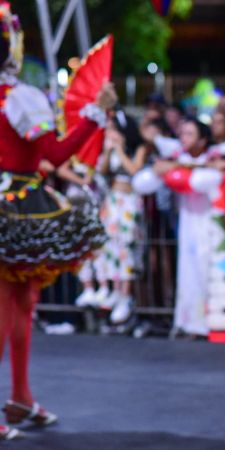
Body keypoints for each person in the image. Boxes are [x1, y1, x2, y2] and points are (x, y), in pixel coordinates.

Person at [0, 0, 116, 440]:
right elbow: (55, 154)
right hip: (19, 207)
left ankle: (21, 398)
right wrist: (95, 114)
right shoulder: (20, 98)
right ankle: (18, 398)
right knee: (11, 306)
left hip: (13, 204)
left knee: (23, 303)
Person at [80, 112, 147, 324]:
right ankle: (114, 289)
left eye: (112, 129)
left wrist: (119, 149)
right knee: (110, 246)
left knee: (127, 246)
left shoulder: (139, 148)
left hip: (129, 201)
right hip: (111, 201)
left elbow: (134, 169)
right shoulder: (108, 149)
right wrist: (108, 153)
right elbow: (102, 171)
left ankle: (126, 294)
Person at [154, 118, 214, 338]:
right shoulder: (178, 157)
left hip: (209, 221)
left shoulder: (214, 156)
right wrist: (182, 164)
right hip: (187, 220)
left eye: (190, 134)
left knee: (206, 270)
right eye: (183, 133)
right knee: (187, 271)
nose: (184, 138)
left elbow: (219, 168)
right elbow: (159, 167)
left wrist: (189, 166)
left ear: (203, 139)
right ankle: (188, 322)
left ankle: (207, 323)